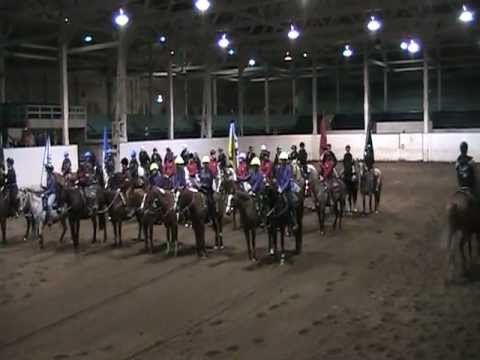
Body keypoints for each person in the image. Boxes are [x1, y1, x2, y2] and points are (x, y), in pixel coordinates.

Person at [275, 152, 297, 230]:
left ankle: (294, 222)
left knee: (291, 204)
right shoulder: (278, 168)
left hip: (287, 189)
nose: (283, 161)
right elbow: (277, 179)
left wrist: (282, 188)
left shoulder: (289, 168)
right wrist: (278, 187)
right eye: (282, 160)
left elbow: (288, 180)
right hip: (280, 188)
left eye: (284, 160)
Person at [199, 156, 215, 225]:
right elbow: (200, 180)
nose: (205, 164)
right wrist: (200, 185)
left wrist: (205, 186)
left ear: (208, 164)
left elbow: (210, 182)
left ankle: (211, 217)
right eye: (204, 163)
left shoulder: (210, 172)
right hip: (201, 189)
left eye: (206, 163)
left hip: (208, 190)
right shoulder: (201, 171)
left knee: (210, 202)